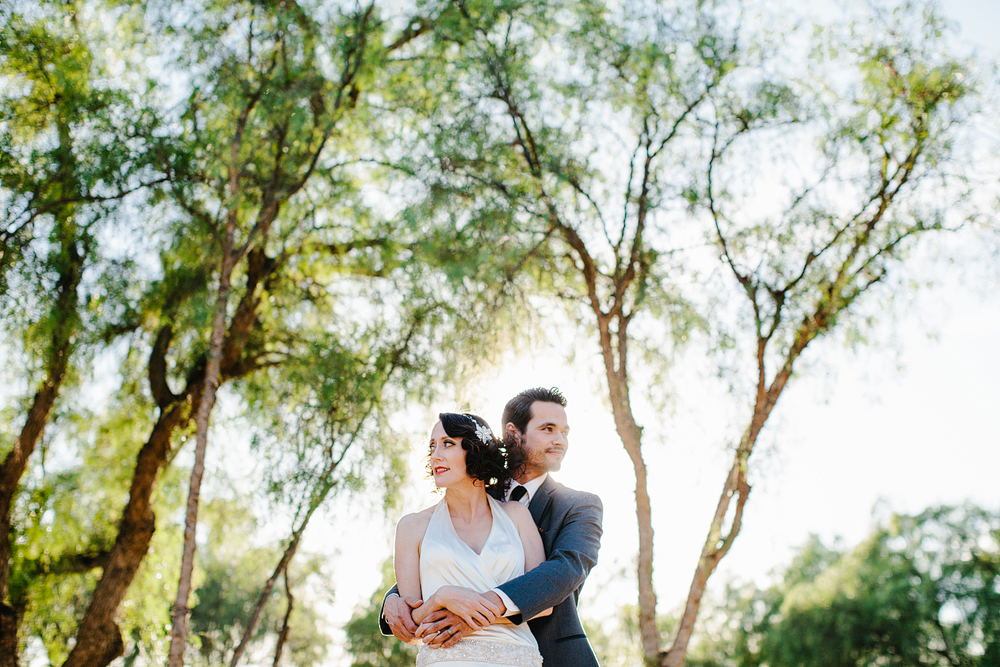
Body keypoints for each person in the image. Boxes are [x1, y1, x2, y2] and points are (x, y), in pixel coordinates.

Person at [383, 388, 604, 667]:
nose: (560, 441)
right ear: (513, 433)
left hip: (547, 655)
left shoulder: (578, 505)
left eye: (564, 432)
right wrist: (394, 600)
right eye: (548, 429)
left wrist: (470, 611)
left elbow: (564, 571)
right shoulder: (472, 492)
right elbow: (442, 563)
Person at [392, 412, 549, 666]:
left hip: (518, 657)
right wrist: (440, 598)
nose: (435, 455)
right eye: (432, 446)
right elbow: (411, 625)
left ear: (475, 450)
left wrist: (466, 615)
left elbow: (543, 601)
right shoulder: (413, 526)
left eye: (448, 444)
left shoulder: (517, 516)